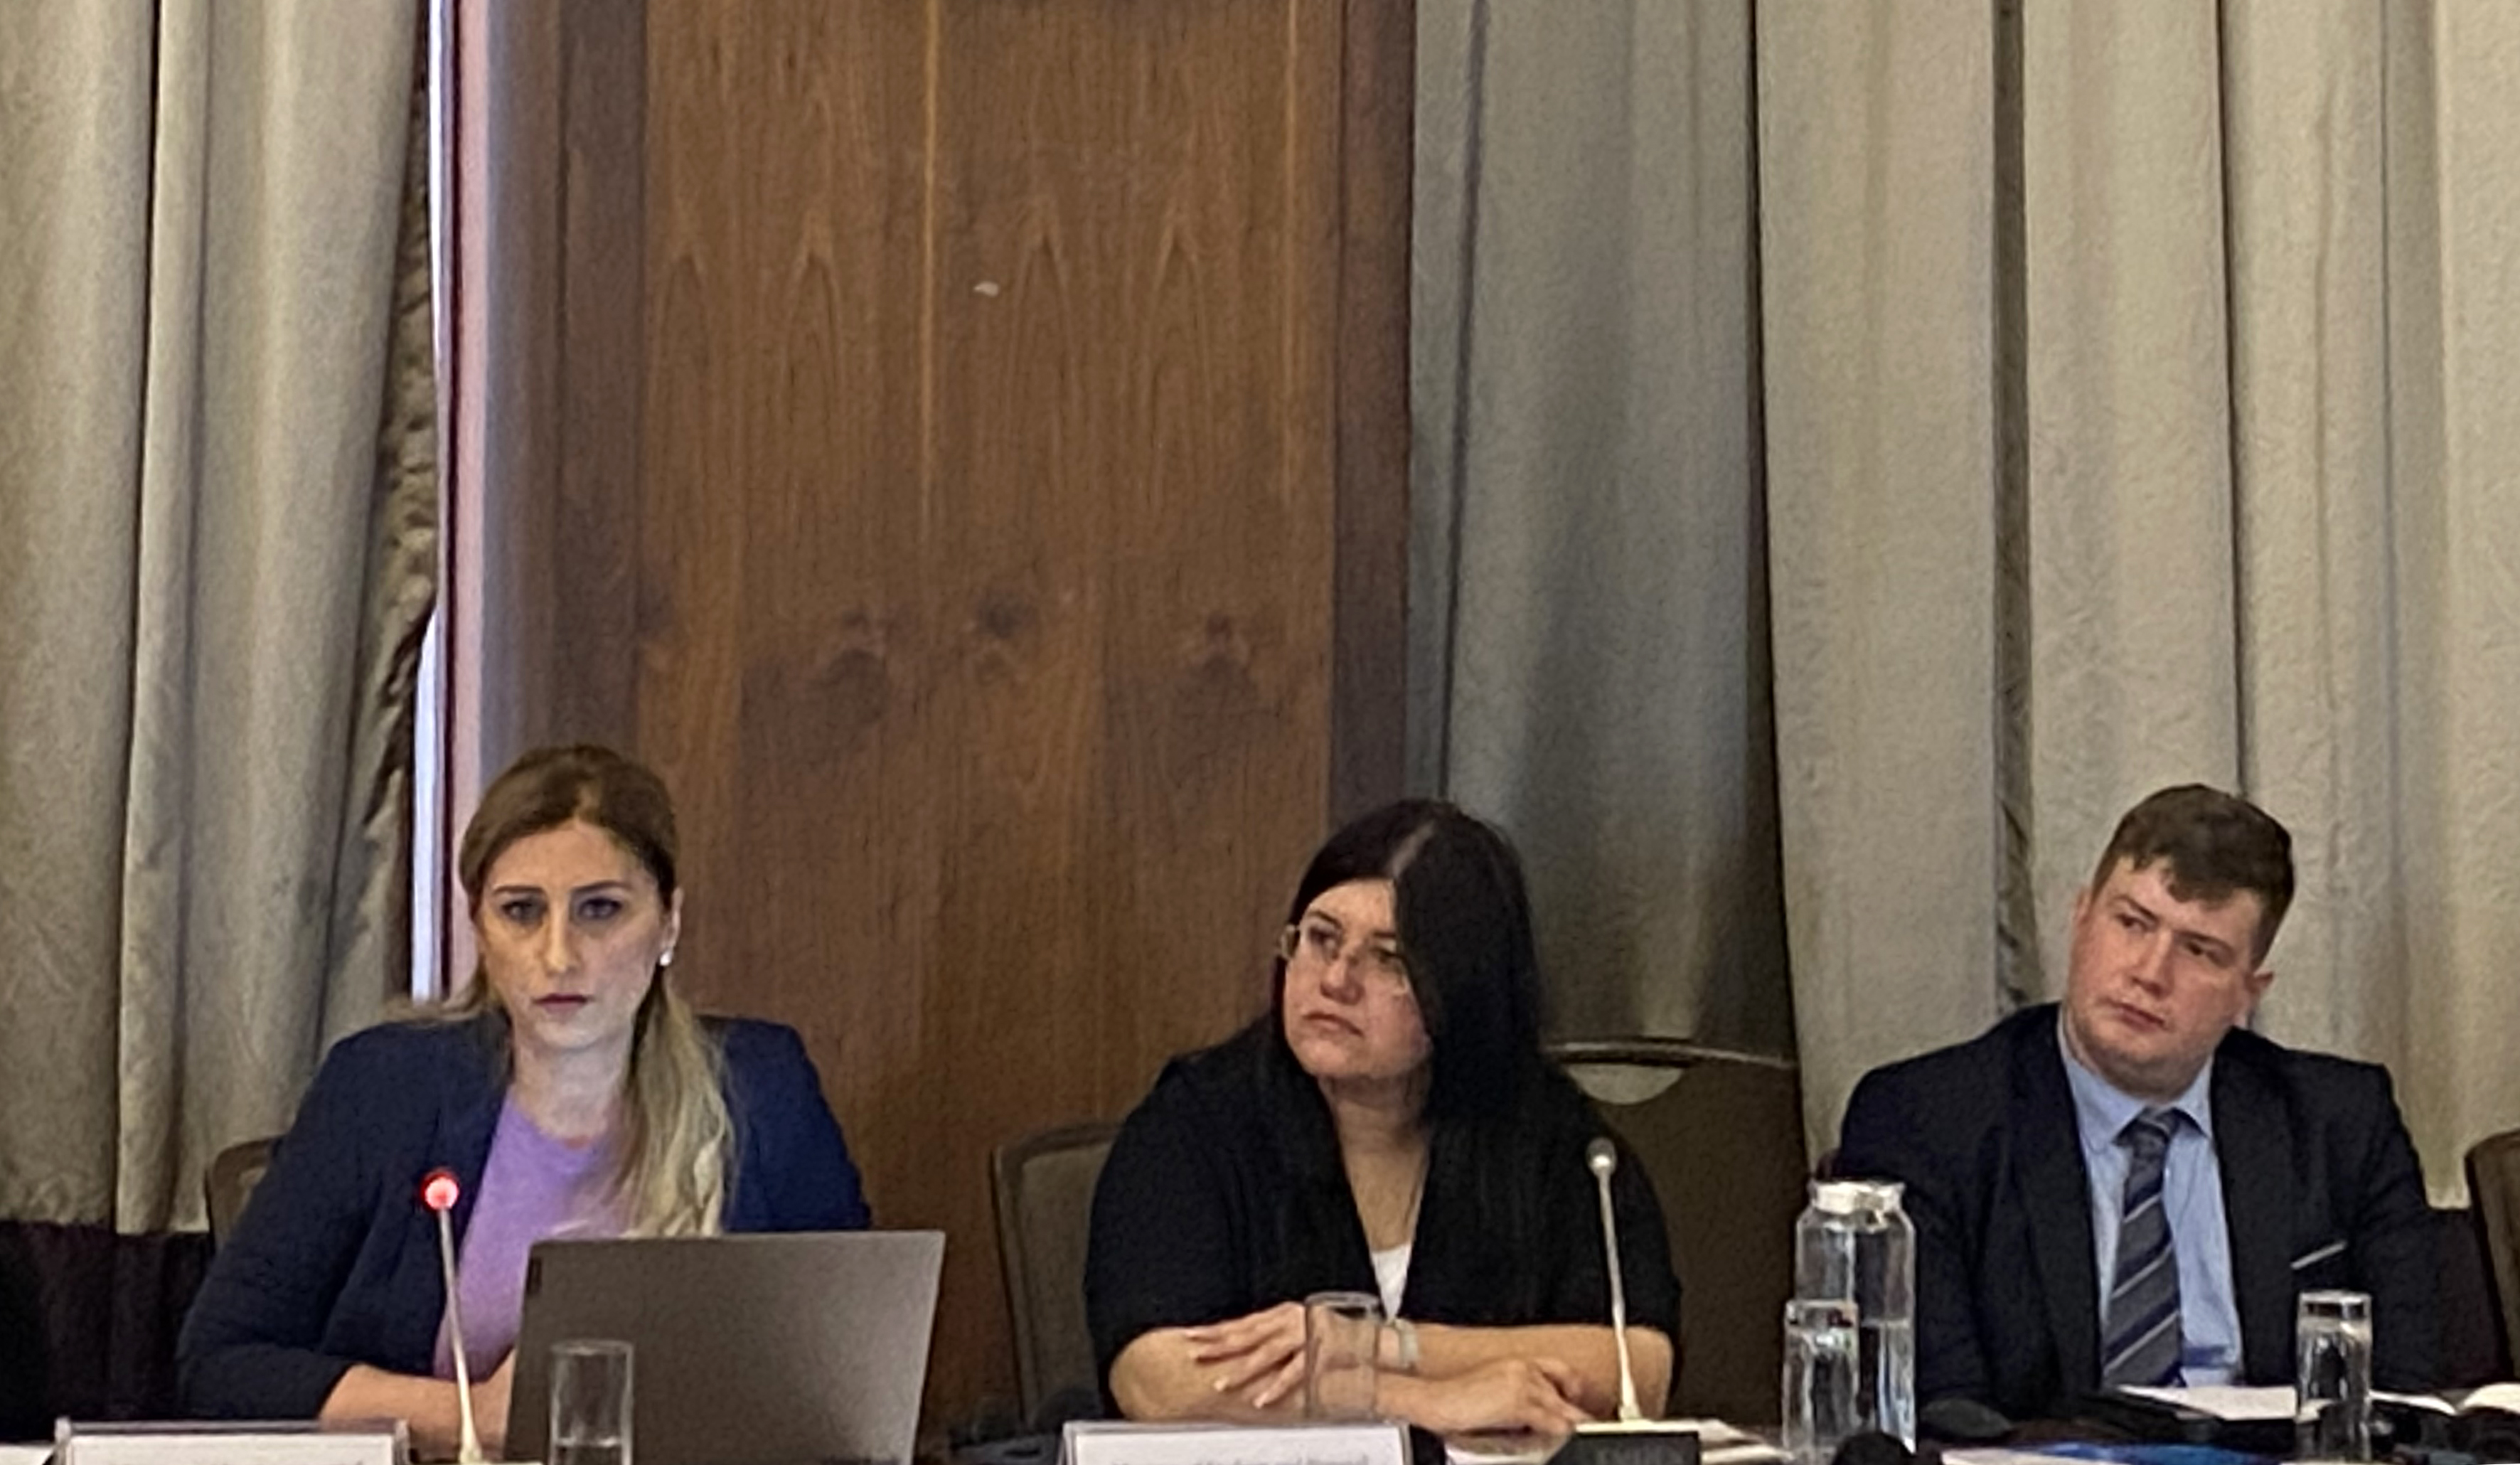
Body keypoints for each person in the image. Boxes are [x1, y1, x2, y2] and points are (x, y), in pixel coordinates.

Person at [178, 745, 869, 1454]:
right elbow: (222, 1364)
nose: (558, 955)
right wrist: (468, 1415)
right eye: (521, 911)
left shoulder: (762, 1085)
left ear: (669, 921)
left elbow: (857, 1365)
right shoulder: (383, 1088)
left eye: (601, 909)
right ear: (480, 927)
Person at [1836, 784, 2439, 1423]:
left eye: (2199, 951)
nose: (2150, 974)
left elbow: (2402, 1395)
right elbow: (1944, 1411)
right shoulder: (1927, 1120)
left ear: (2248, 993)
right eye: (2132, 923)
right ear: (2081, 918)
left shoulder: (2340, 1123)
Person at [1087, 800, 1680, 1438]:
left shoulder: (1549, 1139)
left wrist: (1377, 1346)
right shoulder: (1198, 1124)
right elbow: (1157, 1381)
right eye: (1321, 939)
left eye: (1389, 959)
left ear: (1463, 990)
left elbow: (1639, 1372)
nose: (1336, 981)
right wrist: (1423, 1402)